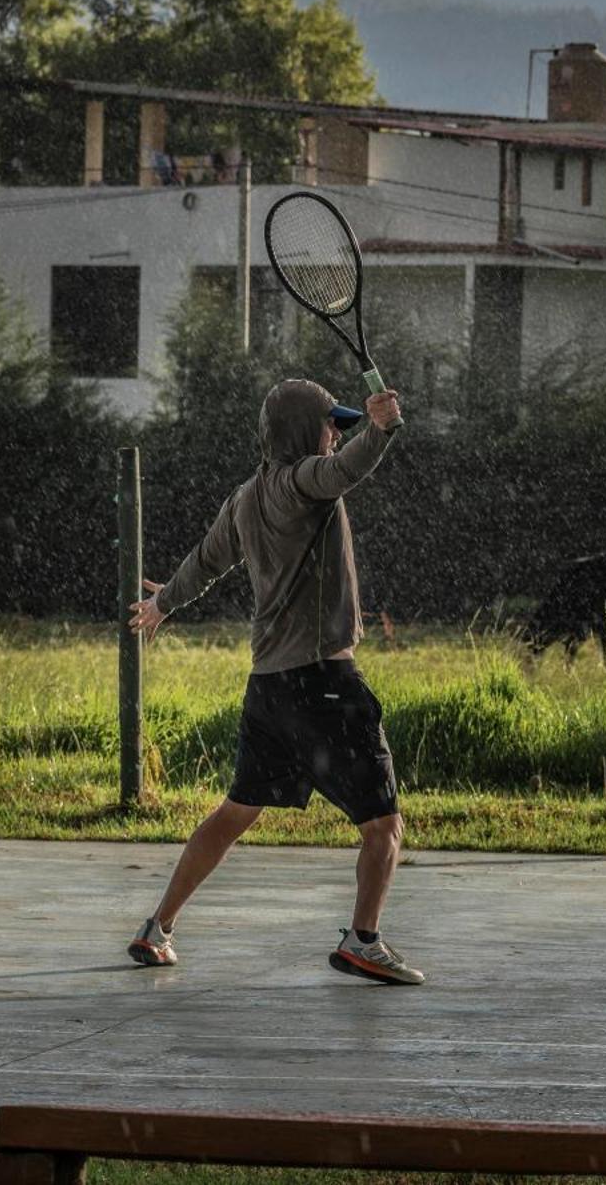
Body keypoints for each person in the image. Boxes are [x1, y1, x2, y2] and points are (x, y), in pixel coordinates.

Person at [123, 378, 422, 985]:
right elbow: (347, 468)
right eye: (329, 423)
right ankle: (364, 942)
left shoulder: (246, 497)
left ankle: (157, 929)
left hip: (269, 689)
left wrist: (165, 604)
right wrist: (381, 429)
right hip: (324, 683)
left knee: (235, 811)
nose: (334, 431)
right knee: (384, 826)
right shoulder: (303, 479)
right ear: (301, 432)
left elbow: (206, 559)